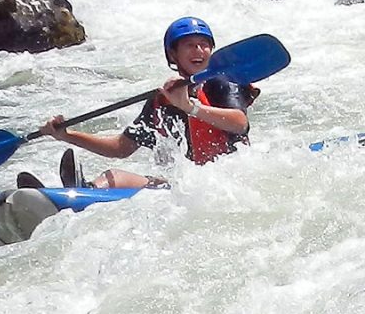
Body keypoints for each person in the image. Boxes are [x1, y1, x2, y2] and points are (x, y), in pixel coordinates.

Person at [31, 16, 254, 189]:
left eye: (204, 44)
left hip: (227, 183)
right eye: (190, 45)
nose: (199, 50)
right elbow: (121, 147)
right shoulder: (162, 102)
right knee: (113, 177)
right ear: (173, 54)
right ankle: (81, 195)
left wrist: (190, 107)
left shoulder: (221, 82)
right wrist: (66, 135)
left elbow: (239, 123)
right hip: (188, 186)